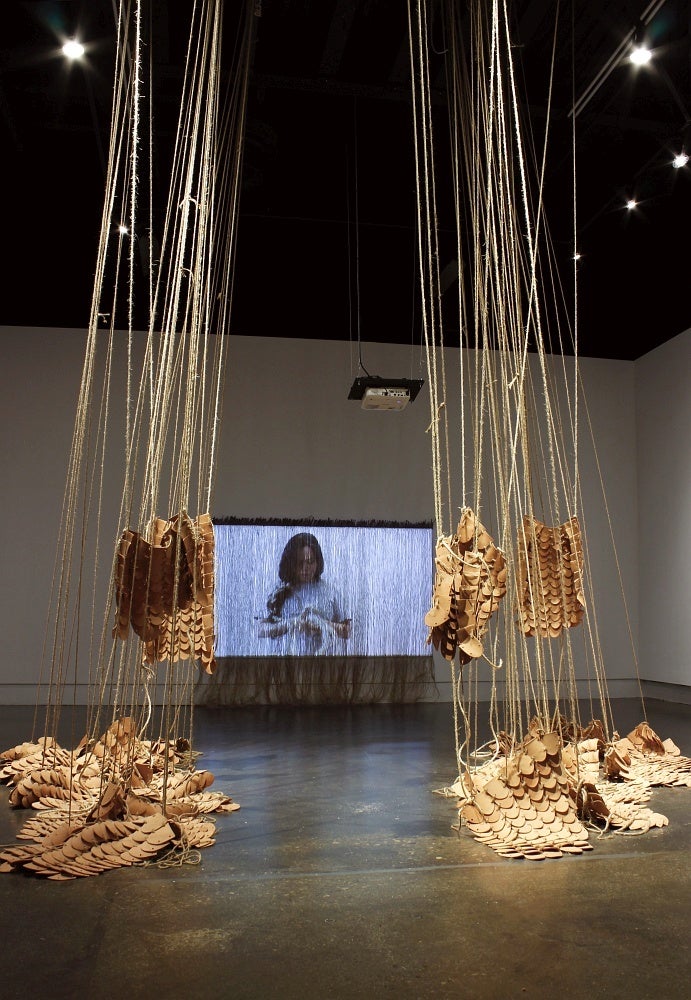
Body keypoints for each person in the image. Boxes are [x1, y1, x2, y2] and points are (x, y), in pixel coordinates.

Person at [257, 532, 351, 655]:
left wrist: (319, 625)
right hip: (283, 665)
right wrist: (291, 624)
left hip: (321, 665)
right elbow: (259, 629)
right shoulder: (277, 592)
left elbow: (348, 631)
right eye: (299, 563)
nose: (305, 568)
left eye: (310, 562)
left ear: (318, 562)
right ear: (290, 563)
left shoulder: (330, 593)